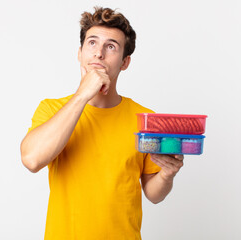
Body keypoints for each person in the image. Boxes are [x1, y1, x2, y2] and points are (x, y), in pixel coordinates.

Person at [20, 6, 184, 240]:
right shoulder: (52, 109)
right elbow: (32, 159)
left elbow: (153, 193)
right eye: (92, 43)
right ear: (80, 53)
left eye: (111, 46)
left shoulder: (145, 120)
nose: (99, 53)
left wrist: (167, 175)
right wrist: (82, 95)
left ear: (125, 62)